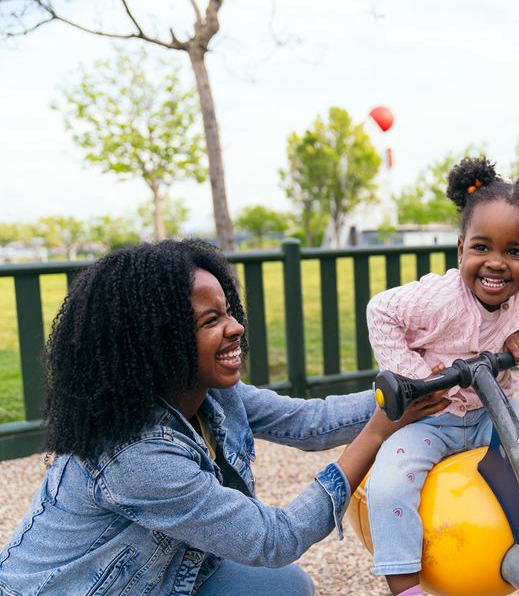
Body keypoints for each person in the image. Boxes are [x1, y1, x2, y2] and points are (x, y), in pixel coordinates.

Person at [0, 238, 448, 596]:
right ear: (157, 342)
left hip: (161, 578)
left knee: (286, 588)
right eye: (210, 320)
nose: (235, 328)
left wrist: (402, 396)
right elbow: (273, 539)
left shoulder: (211, 395)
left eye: (229, 311)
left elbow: (310, 421)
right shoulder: (136, 457)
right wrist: (375, 432)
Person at [365, 157, 519, 596]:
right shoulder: (436, 299)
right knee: (390, 480)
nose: (496, 264)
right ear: (460, 249)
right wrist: (415, 377)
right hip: (430, 417)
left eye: (514, 252)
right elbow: (379, 311)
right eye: (481, 248)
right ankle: (405, 585)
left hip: (493, 412)